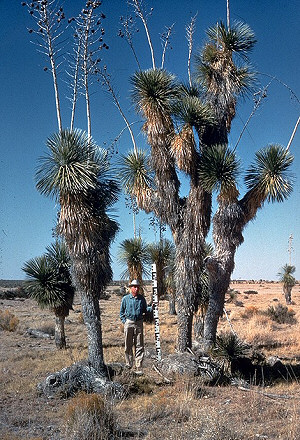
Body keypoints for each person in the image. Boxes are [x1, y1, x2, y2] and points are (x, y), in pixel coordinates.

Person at [119, 279, 150, 373]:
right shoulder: (125, 299)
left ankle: (138, 365)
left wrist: (152, 307)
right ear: (130, 288)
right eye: (134, 287)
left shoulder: (141, 299)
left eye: (137, 287)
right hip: (129, 322)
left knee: (139, 344)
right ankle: (129, 364)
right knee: (128, 344)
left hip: (139, 323)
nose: (136, 288)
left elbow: (145, 309)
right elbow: (121, 312)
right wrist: (125, 322)